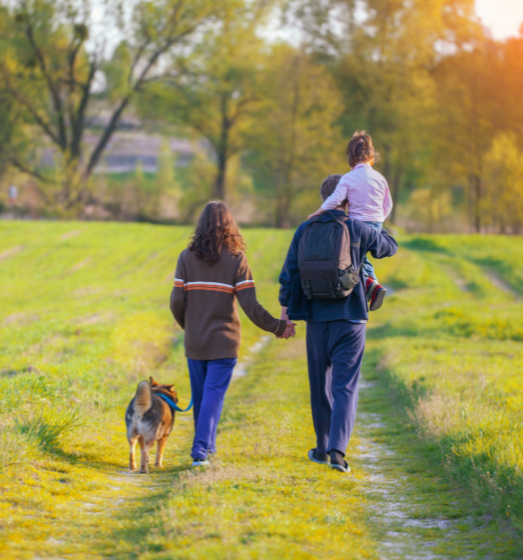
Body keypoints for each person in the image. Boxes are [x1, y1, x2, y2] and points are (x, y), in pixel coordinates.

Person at [279, 175, 397, 473]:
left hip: (317, 320)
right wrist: (375, 216)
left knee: (320, 386)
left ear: (323, 197)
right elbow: (389, 248)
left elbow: (289, 274)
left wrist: (286, 314)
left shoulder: (305, 229)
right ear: (348, 198)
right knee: (345, 386)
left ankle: (320, 447)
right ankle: (337, 451)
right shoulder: (356, 227)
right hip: (352, 318)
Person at [170, 201, 295, 467]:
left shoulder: (185, 257)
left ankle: (207, 447)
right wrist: (278, 326)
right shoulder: (237, 258)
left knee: (203, 396)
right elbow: (250, 306)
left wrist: (190, 327)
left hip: (195, 340)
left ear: (201, 225)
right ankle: (201, 450)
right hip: (225, 342)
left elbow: (176, 303)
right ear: (230, 225)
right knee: (212, 395)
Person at [306, 131, 392, 311]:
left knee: (354, 260)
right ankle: (372, 284)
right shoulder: (380, 178)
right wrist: (380, 219)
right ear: (372, 158)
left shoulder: (348, 178)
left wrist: (318, 211)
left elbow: (335, 199)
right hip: (376, 224)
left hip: (356, 225)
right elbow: (388, 203)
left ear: (351, 159)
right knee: (362, 257)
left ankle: (370, 284)